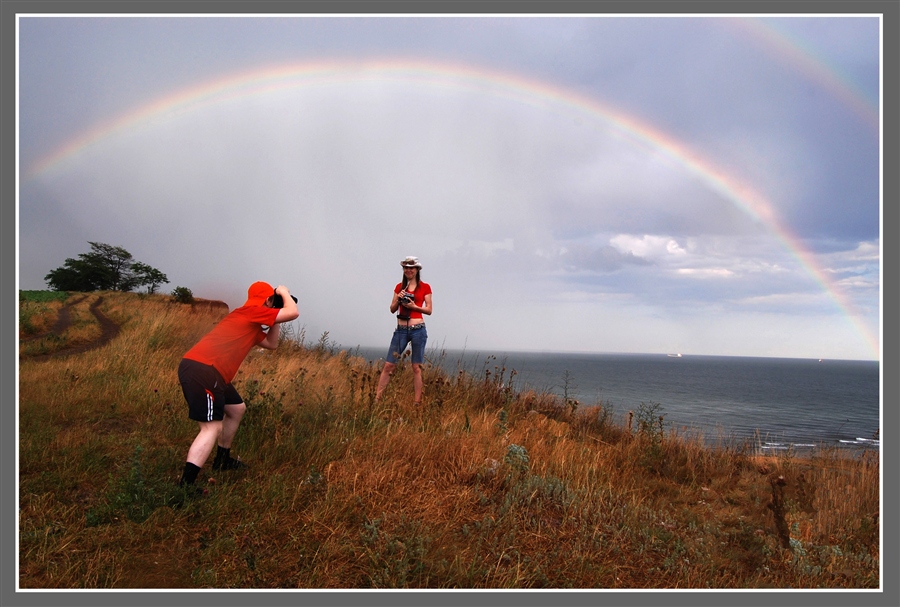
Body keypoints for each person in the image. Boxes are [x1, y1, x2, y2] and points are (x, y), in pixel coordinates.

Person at [177, 281, 299, 491]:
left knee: (236, 409)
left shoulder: (250, 319)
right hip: (203, 369)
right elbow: (293, 313)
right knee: (211, 428)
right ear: (268, 299)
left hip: (212, 372)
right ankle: (185, 486)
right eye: (273, 300)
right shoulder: (251, 312)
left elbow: (272, 344)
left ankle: (222, 460)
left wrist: (275, 316)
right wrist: (284, 293)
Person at [375, 256, 433, 406]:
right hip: (401, 330)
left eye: (411, 267)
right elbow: (392, 309)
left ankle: (417, 402)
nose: (408, 270)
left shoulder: (425, 287)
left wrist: (414, 307)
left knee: (416, 367)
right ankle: (377, 399)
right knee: (389, 365)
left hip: (418, 329)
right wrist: (398, 299)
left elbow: (429, 310)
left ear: (417, 269)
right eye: (406, 267)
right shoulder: (399, 287)